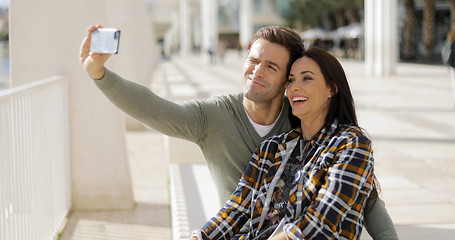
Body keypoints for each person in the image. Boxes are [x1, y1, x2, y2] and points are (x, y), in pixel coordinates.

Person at [80, 25, 397, 239]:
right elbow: (157, 110)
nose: (257, 71)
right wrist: (99, 72)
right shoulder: (226, 121)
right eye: (253, 60)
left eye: (271, 67)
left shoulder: (306, 118)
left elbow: (363, 198)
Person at [190, 47, 376, 240]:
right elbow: (236, 210)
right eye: (291, 80)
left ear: (332, 88)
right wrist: (201, 237)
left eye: (307, 78)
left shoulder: (351, 143)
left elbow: (321, 224)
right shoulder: (272, 148)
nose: (295, 87)